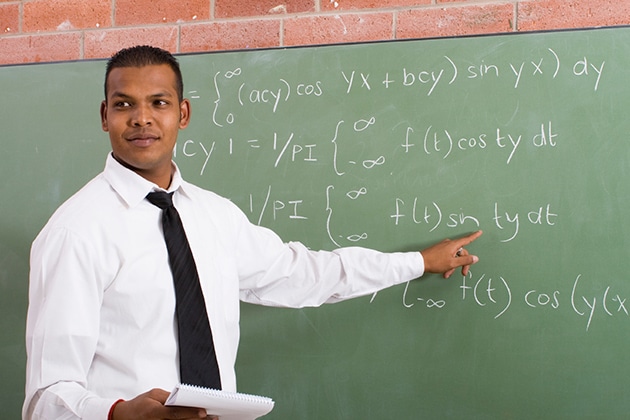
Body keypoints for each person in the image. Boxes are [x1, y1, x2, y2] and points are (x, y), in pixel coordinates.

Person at [23, 45, 482, 420]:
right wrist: (119, 413)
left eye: (158, 103)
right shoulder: (75, 233)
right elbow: (46, 398)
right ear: (105, 115)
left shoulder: (214, 216)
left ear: (183, 113)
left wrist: (418, 262)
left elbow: (306, 274)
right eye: (124, 104)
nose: (142, 118)